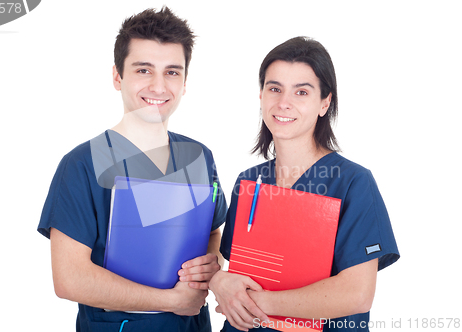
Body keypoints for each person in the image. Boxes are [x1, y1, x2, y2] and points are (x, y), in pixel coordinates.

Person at [37, 7, 227, 332]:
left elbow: (211, 231)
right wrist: (172, 301)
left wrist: (210, 263)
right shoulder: (82, 165)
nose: (158, 86)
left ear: (184, 83)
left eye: (172, 72)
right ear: (117, 77)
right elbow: (70, 280)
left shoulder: (198, 157)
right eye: (143, 70)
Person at [193, 37, 400, 331]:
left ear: (324, 102)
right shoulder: (249, 181)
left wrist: (259, 304)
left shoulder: (353, 182)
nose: (284, 103)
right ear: (261, 96)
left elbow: (357, 295)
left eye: (301, 92)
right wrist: (219, 280)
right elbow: (235, 269)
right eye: (274, 88)